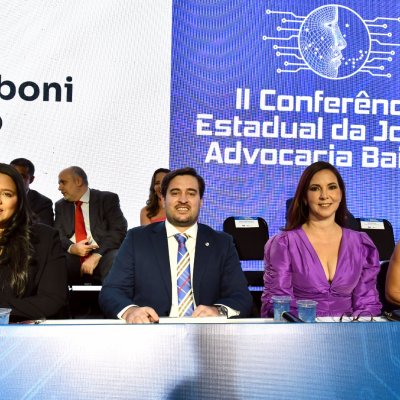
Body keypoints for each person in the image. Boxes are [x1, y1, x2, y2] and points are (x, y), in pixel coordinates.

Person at [99, 167, 253, 323]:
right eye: (175, 193)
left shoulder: (222, 243)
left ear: (201, 201)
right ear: (163, 200)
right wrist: (131, 311)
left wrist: (218, 311)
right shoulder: (137, 239)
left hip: (206, 337)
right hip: (152, 335)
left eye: (191, 193)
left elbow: (241, 297)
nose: (183, 200)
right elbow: (112, 291)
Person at [261, 161, 381, 318]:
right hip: (300, 333)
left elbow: (367, 303)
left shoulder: (361, 244)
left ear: (341, 193)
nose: (325, 196)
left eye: (332, 187)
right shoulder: (284, 244)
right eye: (315, 188)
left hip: (349, 334)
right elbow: (279, 303)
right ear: (304, 197)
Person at [0, 163, 67, 322]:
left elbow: (52, 300)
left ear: (20, 199)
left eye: (7, 194)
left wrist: (3, 311)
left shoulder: (45, 238)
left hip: (19, 336)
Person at [54, 166, 127, 284]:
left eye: (63, 182)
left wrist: (96, 255)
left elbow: (118, 230)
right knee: (56, 262)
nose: (59, 187)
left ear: (78, 181)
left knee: (116, 259)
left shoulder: (107, 199)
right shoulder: (60, 206)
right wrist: (72, 248)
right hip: (73, 256)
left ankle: (113, 300)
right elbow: (57, 235)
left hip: (103, 253)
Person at [10, 158, 54, 226]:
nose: (16, 179)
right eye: (13, 175)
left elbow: (43, 233)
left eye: (21, 176)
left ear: (31, 179)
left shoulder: (43, 203)